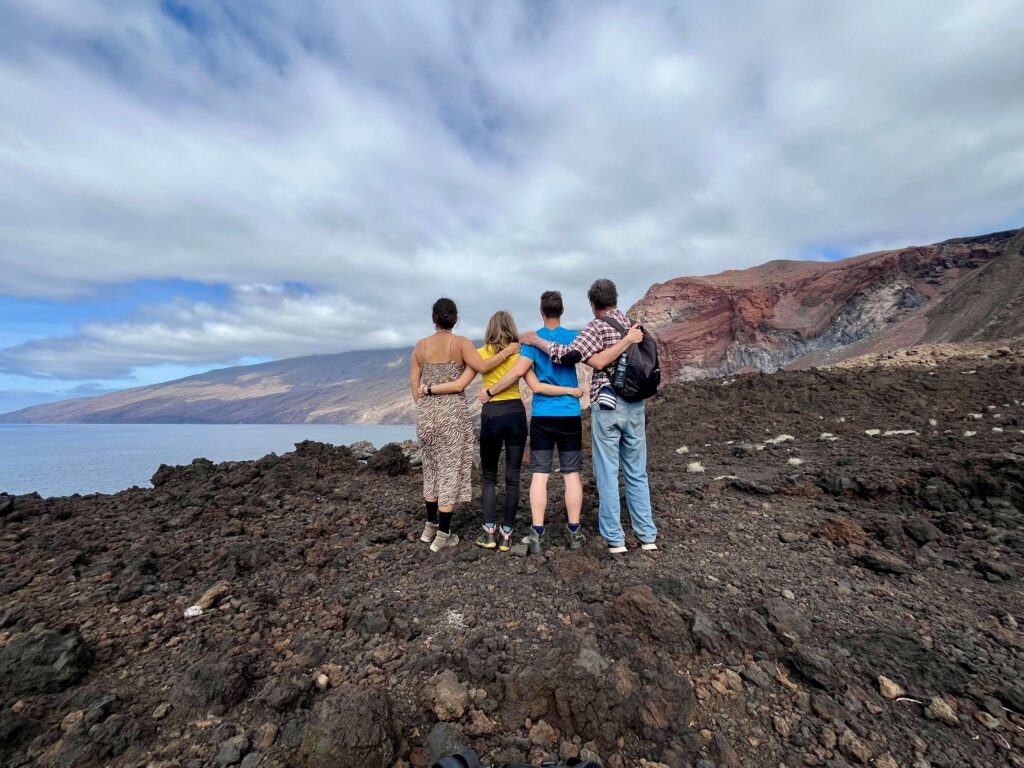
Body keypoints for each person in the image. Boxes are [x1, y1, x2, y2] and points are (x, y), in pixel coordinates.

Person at [482, 291, 637, 555]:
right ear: (562, 312)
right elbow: (596, 361)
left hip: (543, 416)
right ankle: (574, 532)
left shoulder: (533, 341)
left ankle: (537, 533)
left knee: (540, 475)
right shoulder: (573, 338)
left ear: (541, 312)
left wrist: (490, 392)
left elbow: (518, 372)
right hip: (569, 416)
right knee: (571, 474)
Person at [426, 310, 582, 552]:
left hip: (491, 416)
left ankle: (488, 532)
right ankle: (507, 534)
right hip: (516, 416)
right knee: (512, 476)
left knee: (488, 476)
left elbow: (460, 383)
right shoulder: (520, 352)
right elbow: (532, 383)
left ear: (489, 330)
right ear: (511, 328)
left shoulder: (480, 354)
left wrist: (429, 389)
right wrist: (570, 391)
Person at [520, 279, 652, 555]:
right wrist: (621, 344)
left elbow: (569, 355)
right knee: (637, 472)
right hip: (635, 405)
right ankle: (646, 535)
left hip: (605, 405)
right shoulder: (633, 325)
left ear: (593, 304)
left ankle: (615, 539)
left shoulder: (596, 327)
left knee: (606, 471)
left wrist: (535, 340)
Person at [410, 298, 519, 552]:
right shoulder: (460, 343)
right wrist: (508, 351)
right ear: (455, 319)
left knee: (431, 468)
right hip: (452, 414)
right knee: (449, 471)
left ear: (433, 319)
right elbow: (479, 368)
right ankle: (443, 535)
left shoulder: (420, 347)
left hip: (426, 414)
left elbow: (414, 384)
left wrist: (425, 405)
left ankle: (429, 527)